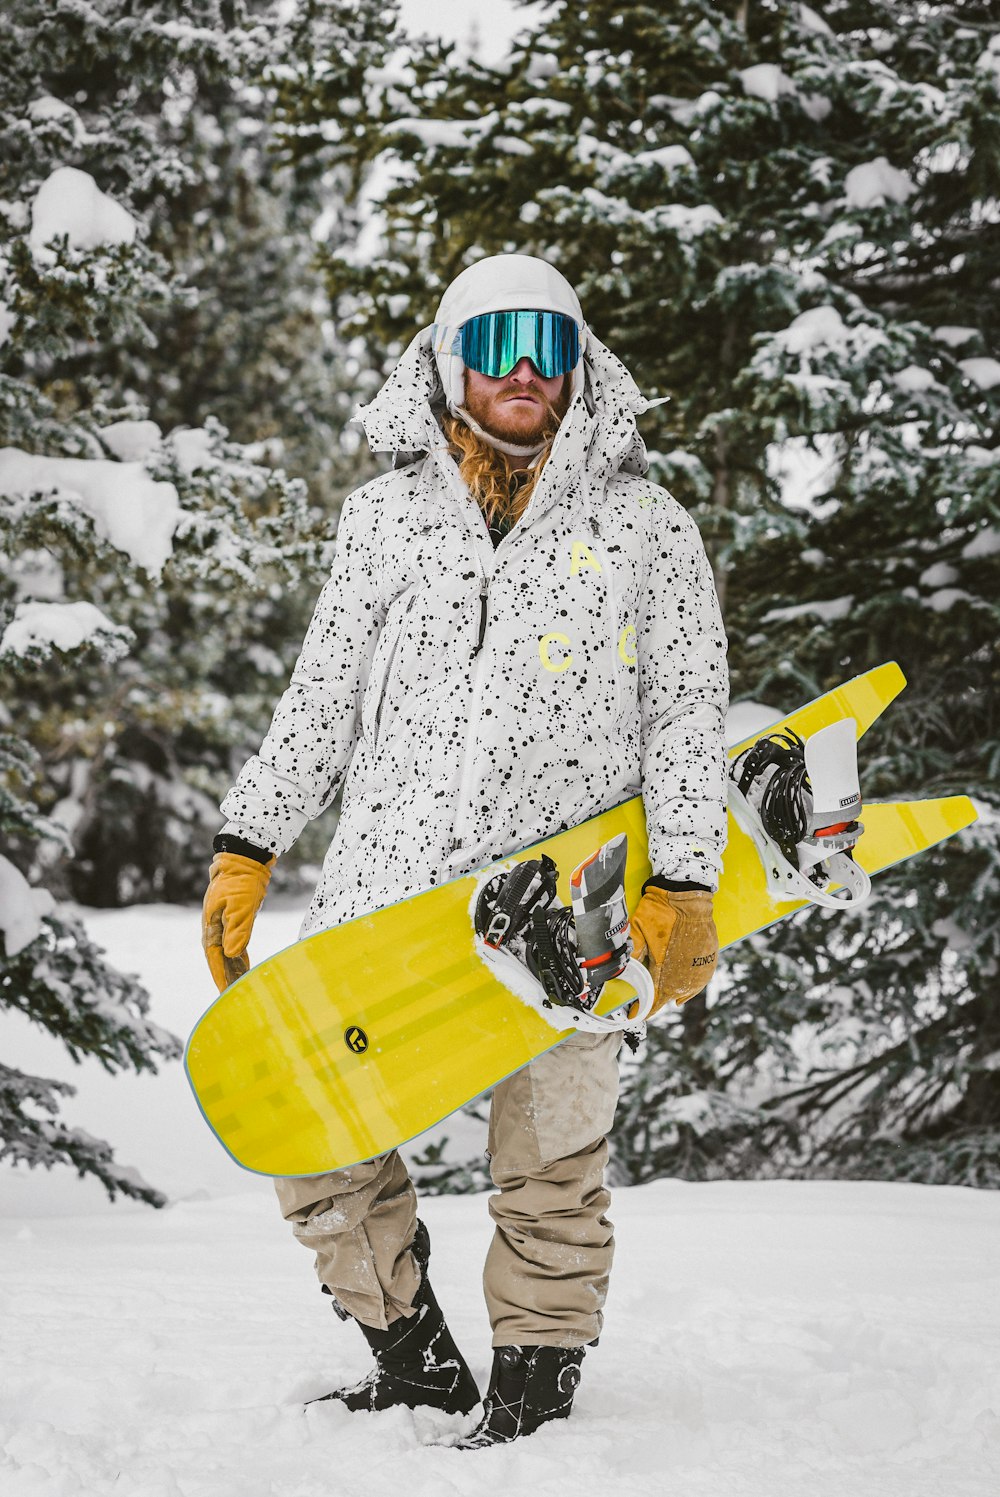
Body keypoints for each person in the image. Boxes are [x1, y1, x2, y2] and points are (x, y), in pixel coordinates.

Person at [201, 253, 729, 1447]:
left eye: (550, 345)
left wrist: (684, 877)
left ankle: (535, 1391)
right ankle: (415, 1357)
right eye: (495, 346)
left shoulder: (646, 526)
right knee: (308, 1129)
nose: (525, 371)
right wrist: (249, 840)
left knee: (551, 1161)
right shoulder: (384, 518)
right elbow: (320, 698)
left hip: (570, 904)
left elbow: (687, 713)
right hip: (387, 895)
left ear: (580, 363)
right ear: (449, 363)